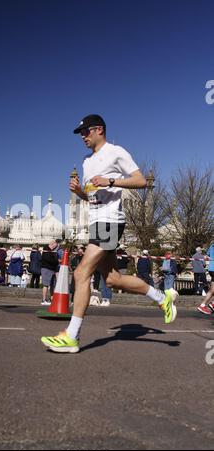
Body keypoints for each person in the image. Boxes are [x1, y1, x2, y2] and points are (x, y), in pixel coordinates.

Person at [41, 114, 178, 353]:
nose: (82, 137)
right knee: (113, 279)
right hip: (97, 222)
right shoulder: (86, 161)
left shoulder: (116, 152)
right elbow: (93, 196)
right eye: (81, 133)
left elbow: (141, 180)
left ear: (99, 130)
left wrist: (111, 180)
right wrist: (80, 193)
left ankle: (71, 336)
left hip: (110, 221)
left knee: (81, 273)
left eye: (85, 132)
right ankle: (162, 298)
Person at [197, 242, 214, 314]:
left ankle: (206, 305)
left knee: (212, 289)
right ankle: (209, 304)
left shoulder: (212, 245)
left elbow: (205, 256)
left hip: (211, 269)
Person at [41, 239, 59, 305]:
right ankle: (43, 300)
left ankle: (51, 299)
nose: (56, 248)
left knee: (52, 285)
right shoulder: (46, 250)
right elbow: (50, 260)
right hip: (47, 269)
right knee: (46, 285)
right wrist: (57, 261)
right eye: (55, 246)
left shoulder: (50, 251)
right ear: (52, 244)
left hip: (51, 269)